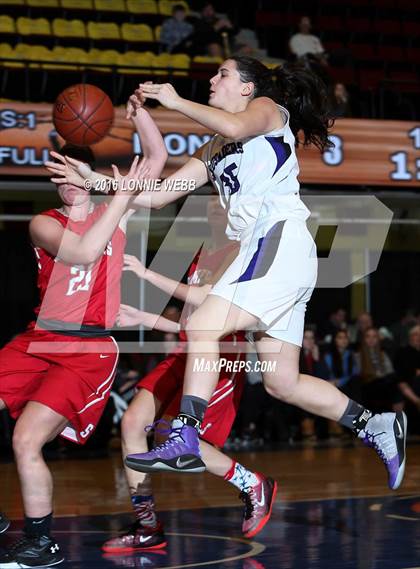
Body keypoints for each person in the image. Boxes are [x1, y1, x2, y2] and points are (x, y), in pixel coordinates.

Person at [52, 56, 407, 492]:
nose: (213, 80)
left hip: (277, 239)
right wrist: (95, 182)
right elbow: (159, 196)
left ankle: (184, 432)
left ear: (247, 88)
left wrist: (174, 100)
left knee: (202, 324)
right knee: (282, 382)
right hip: (271, 253)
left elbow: (237, 128)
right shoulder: (212, 149)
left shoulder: (268, 110)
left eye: (223, 74)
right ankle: (375, 424)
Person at [0, 94, 166, 569]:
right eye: (59, 175)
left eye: (74, 172)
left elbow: (153, 160)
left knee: (26, 440)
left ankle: (40, 543)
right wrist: (120, 196)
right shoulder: (43, 224)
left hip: (87, 348)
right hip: (39, 338)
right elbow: (83, 251)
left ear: (86, 179)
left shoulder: (114, 214)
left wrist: (143, 116)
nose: (65, 181)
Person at [102, 195, 277, 553]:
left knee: (176, 436)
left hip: (219, 357)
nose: (216, 204)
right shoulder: (203, 251)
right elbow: (187, 320)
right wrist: (146, 318)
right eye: (211, 200)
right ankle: (148, 525)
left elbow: (208, 298)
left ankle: (251, 483)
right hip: (186, 353)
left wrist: (147, 273)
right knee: (132, 423)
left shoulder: (242, 250)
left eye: (223, 200)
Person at [356, 327, 402, 413]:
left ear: (378, 339)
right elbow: (359, 375)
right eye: (368, 336)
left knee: (392, 382)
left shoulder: (383, 354)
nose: (371, 339)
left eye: (374, 337)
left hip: (383, 389)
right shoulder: (357, 356)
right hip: (367, 390)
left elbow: (390, 373)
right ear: (364, 339)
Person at [394, 324, 420, 434]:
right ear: (410, 337)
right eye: (416, 335)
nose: (419, 337)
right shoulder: (402, 352)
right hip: (406, 382)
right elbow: (402, 370)